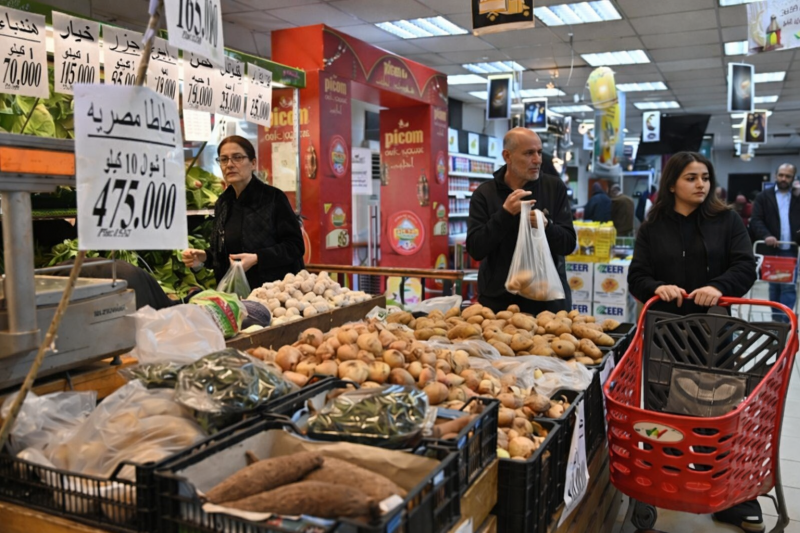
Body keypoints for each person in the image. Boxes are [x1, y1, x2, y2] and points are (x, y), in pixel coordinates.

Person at [628, 152, 760, 533]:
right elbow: (637, 275)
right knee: (664, 409)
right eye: (691, 178)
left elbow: (744, 265)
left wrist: (719, 287)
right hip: (665, 332)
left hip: (715, 331)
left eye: (704, 177)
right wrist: (656, 287)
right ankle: (663, 486)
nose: (701, 184)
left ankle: (727, 496)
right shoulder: (653, 226)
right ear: (672, 184)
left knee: (718, 408)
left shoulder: (727, 220)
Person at [466, 127, 576, 314]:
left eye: (539, 152)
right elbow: (476, 249)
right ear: (507, 156)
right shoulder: (484, 194)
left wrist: (547, 226)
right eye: (529, 153)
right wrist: (505, 214)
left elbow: (568, 244)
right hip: (498, 305)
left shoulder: (554, 187)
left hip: (546, 304)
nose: (538, 160)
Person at [181, 136, 305, 291]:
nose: (230, 165)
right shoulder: (223, 203)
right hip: (235, 295)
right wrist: (204, 257)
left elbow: (295, 246)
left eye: (237, 158)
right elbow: (224, 253)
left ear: (253, 163)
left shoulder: (273, 198)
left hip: (275, 293)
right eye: (224, 159)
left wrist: (257, 258)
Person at [749, 163, 800, 322]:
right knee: (773, 286)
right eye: (781, 175)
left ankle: (784, 322)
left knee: (788, 286)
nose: (784, 179)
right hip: (771, 249)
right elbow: (756, 220)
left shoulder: (798, 197)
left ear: (794, 178)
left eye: (788, 176)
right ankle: (777, 321)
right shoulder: (763, 197)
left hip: (791, 249)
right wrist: (766, 236)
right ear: (776, 176)